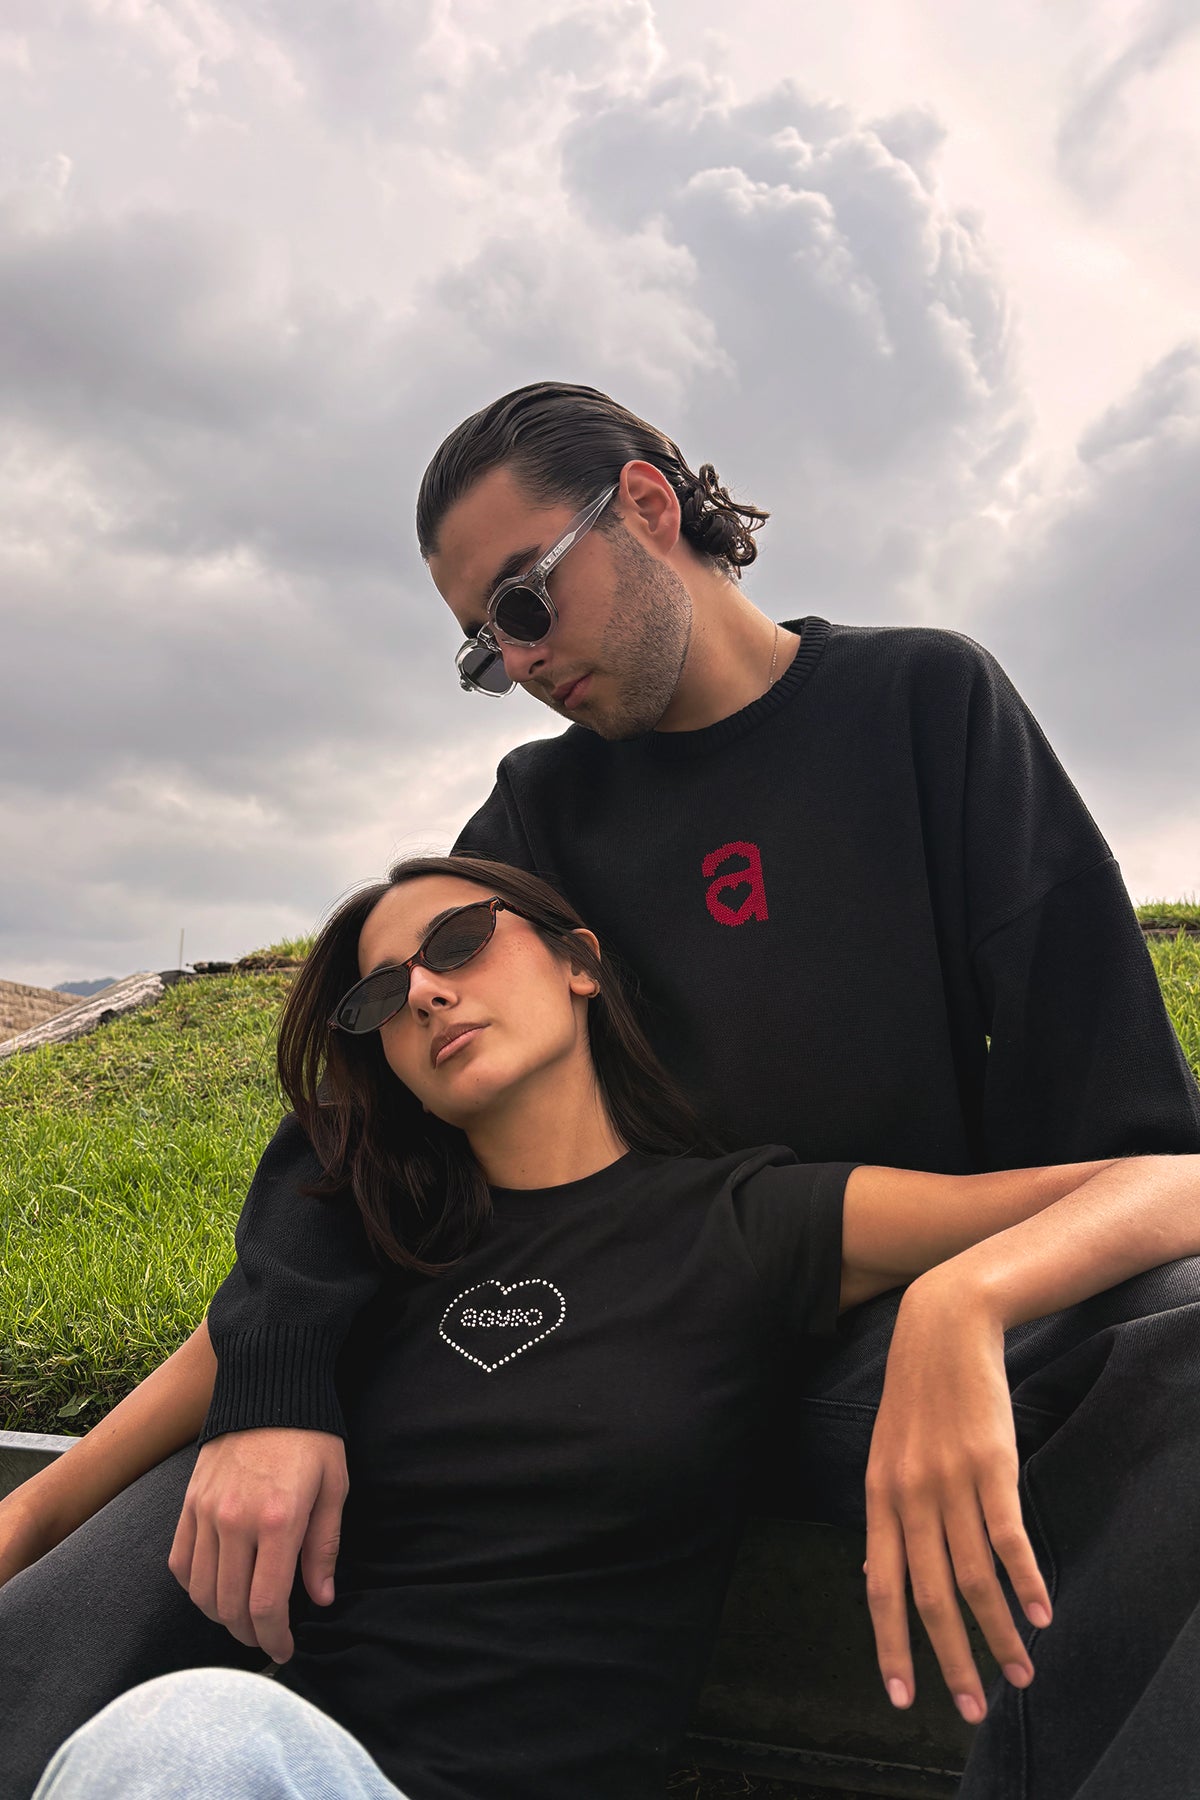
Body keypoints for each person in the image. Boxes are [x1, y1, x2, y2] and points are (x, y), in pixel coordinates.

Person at [2, 382, 1199, 1798]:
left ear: (644, 504)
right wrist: (273, 1395)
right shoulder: (542, 814)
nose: (516, 660)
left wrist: (971, 1297)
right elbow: (347, 1143)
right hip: (589, 1343)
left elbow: (1125, 1127)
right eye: (481, 644)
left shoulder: (923, 707)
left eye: (524, 600)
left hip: (867, 1328)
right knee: (231, 1484)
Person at [15, 855, 1200, 1800]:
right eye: (379, 998)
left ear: (579, 962)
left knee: (188, 1735)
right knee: (191, 1736)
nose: (422, 992)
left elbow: (1170, 1184)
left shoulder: (742, 1224)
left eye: (458, 943)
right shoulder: (351, 1265)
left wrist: (964, 1295)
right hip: (287, 1766)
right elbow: (59, 1498)